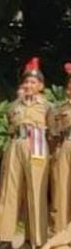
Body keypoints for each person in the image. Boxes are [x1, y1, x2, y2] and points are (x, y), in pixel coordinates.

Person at [0, 58, 51, 249]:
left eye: (33, 83)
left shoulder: (47, 106)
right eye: (26, 82)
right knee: (9, 190)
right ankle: (5, 237)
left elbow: (53, 130)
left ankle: (38, 240)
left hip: (37, 145)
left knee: (36, 192)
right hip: (16, 143)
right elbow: (9, 124)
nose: (28, 86)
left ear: (41, 86)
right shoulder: (15, 104)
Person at [48, 64, 71, 234]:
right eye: (69, 88)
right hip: (65, 147)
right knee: (61, 191)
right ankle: (60, 233)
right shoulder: (59, 108)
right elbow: (54, 134)